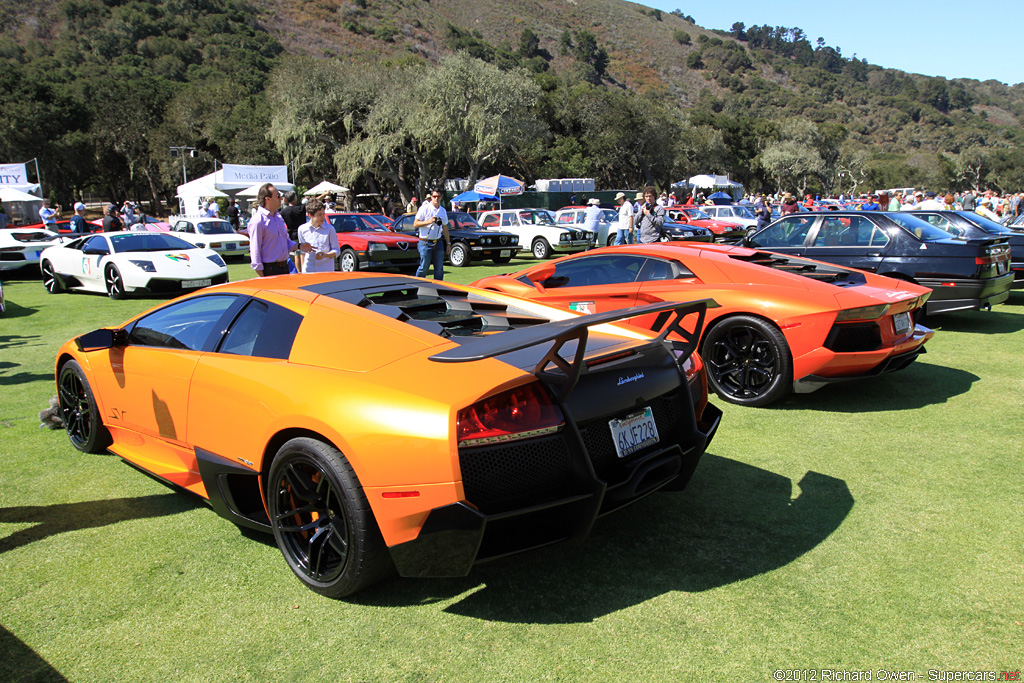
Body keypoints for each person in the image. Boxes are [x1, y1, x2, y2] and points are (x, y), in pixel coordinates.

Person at [248, 183, 311, 276]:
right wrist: (262, 278)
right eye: (277, 196)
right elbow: (255, 252)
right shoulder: (258, 221)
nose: (281, 198)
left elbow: (286, 243)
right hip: (269, 270)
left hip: (285, 267)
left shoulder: (278, 217)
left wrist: (299, 246)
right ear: (267, 199)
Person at [413, 190, 450, 280]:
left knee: (439, 269)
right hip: (425, 242)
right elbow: (415, 224)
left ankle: (438, 289)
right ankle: (416, 286)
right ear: (431, 197)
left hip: (438, 242)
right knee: (424, 267)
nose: (436, 198)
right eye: (434, 196)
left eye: (438, 196)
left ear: (441, 197)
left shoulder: (442, 210)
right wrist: (429, 222)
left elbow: (445, 228)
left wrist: (448, 243)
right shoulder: (424, 208)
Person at [296, 198, 339, 273]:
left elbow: (337, 250)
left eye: (323, 214)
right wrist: (302, 272)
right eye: (319, 215)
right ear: (310, 215)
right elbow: (302, 253)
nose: (323, 217)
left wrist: (326, 255)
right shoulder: (302, 229)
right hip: (309, 270)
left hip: (326, 270)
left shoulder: (329, 229)